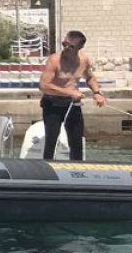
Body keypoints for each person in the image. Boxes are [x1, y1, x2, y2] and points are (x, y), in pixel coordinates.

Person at [38, 29, 107, 160]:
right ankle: (48, 166)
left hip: (72, 104)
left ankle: (77, 167)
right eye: (64, 44)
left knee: (76, 142)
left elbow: (90, 77)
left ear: (79, 47)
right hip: (53, 104)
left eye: (71, 46)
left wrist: (97, 92)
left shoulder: (84, 60)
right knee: (51, 140)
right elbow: (43, 85)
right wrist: (69, 92)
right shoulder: (54, 60)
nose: (66, 48)